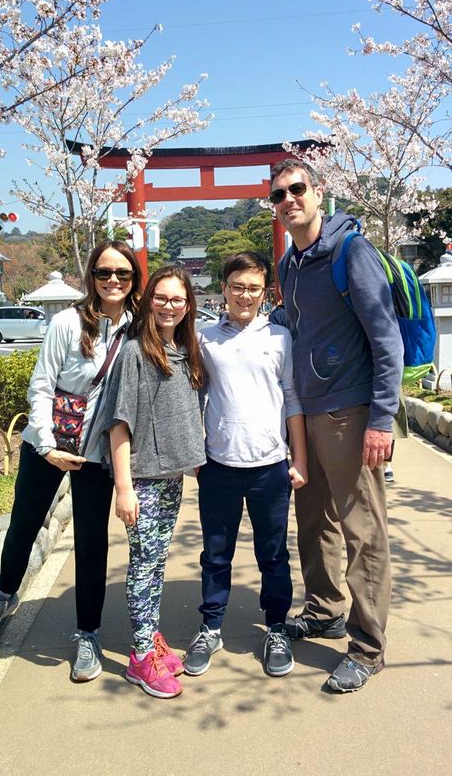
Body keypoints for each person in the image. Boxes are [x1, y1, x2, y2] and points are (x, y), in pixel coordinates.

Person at [269, 159, 403, 692]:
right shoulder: (289, 265)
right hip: (305, 415)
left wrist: (382, 419)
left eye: (297, 189)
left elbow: (385, 338)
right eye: (279, 194)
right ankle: (324, 607)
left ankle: (368, 647)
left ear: (318, 192)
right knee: (314, 520)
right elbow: (295, 324)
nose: (289, 200)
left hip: (350, 414)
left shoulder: (353, 252)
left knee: (362, 531)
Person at [0, 240, 141, 681]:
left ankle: (88, 634)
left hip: (98, 451)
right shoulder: (66, 322)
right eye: (104, 272)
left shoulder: (140, 328)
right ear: (90, 278)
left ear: (134, 278)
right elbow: (40, 386)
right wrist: (44, 445)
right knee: (23, 524)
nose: (113, 281)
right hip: (50, 445)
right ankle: (4, 595)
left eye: (123, 273)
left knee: (93, 543)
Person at [183, 251, 307, 679]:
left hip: (270, 465)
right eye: (237, 286)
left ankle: (275, 626)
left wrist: (299, 458)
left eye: (254, 288)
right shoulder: (203, 339)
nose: (245, 295)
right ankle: (211, 626)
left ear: (265, 291)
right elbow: (194, 396)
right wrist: (194, 453)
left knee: (273, 555)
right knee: (216, 555)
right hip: (218, 464)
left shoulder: (279, 338)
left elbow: (291, 397)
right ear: (224, 288)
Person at [105, 265, 206, 699]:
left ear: (188, 305)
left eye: (178, 300)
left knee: (157, 562)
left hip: (170, 477)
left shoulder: (182, 348)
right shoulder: (135, 353)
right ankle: (141, 656)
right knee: (145, 566)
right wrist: (124, 487)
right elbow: (119, 423)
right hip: (143, 479)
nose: (170, 306)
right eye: (161, 298)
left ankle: (150, 638)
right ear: (148, 301)